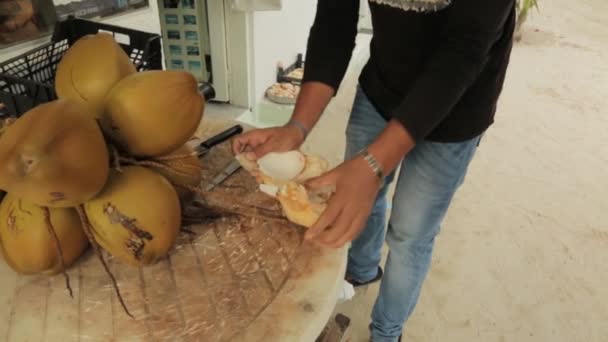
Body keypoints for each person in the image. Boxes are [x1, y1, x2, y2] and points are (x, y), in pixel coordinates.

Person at [232, 0, 516, 341]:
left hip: (458, 107)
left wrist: (372, 163)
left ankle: (386, 332)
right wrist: (296, 128)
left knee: (410, 234)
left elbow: (462, 52)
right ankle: (362, 270)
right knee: (363, 194)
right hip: (383, 88)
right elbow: (333, 28)